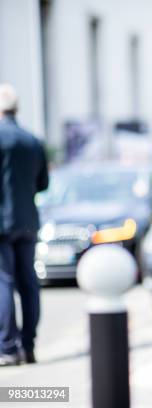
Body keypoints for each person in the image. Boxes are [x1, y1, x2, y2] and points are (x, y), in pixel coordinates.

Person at [0, 84, 49, 366]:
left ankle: (7, 348)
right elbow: (43, 183)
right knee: (28, 283)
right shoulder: (33, 140)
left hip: (1, 225)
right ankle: (28, 346)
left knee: (4, 282)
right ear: (16, 108)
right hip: (28, 221)